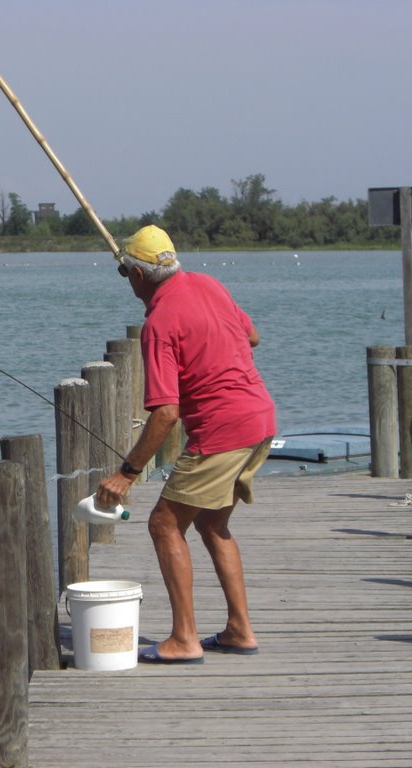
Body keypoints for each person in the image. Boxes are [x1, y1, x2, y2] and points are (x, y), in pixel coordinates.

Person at [96, 224, 275, 664]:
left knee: (164, 524)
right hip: (260, 419)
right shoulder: (209, 284)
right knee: (213, 524)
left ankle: (184, 638)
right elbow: (251, 337)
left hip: (223, 431)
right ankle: (239, 630)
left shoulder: (158, 324)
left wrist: (126, 474)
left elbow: (166, 413)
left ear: (137, 277)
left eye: (126, 275)